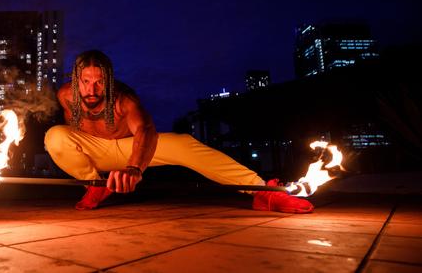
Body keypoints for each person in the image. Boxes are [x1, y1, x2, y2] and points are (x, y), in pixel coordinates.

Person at [44, 50, 313, 213]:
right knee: (55, 135)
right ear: (75, 80)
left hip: (133, 149)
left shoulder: (124, 100)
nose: (92, 90)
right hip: (96, 150)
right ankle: (96, 186)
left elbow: (146, 132)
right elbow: (72, 136)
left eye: (100, 83)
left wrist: (135, 168)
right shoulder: (66, 96)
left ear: (110, 82)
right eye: (86, 82)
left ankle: (262, 193)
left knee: (184, 143)